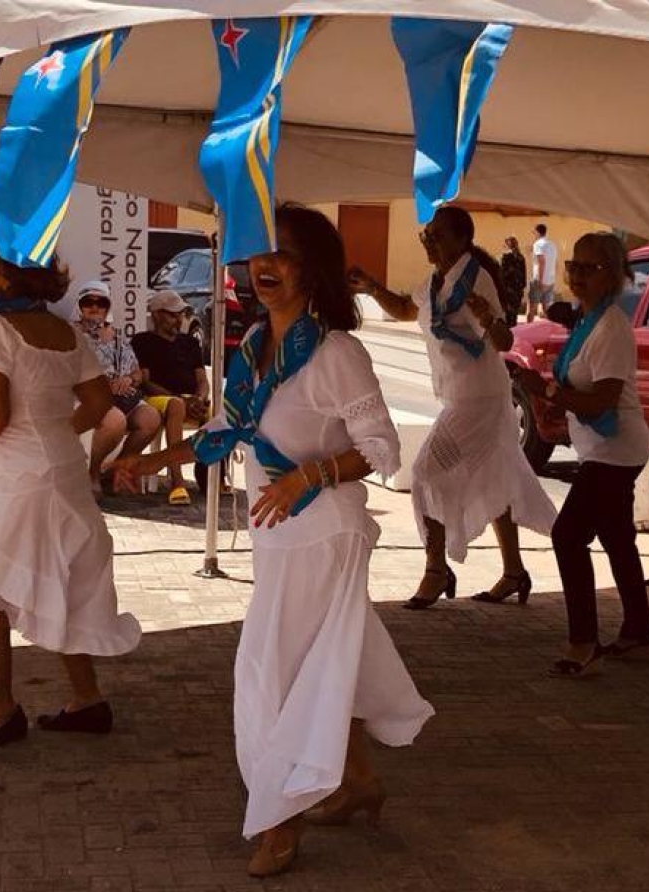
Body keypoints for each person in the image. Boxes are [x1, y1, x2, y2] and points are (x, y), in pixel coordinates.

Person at [113, 204, 432, 878]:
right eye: (259, 252)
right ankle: (359, 780)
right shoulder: (256, 342)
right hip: (278, 534)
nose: (264, 266)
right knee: (326, 661)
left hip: (324, 534)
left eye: (282, 254)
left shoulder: (336, 353)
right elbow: (231, 431)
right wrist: (155, 459)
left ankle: (279, 819)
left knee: (270, 674)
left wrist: (308, 476)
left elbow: (383, 448)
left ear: (312, 269)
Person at [0, 218, 141, 752]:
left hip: (17, 484)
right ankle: (87, 700)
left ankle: (0, 711)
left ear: (7, 272)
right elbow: (99, 403)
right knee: (64, 584)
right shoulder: (66, 333)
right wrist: (57, 436)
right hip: (64, 477)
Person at [352, 206, 556, 609]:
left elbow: (503, 341)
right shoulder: (435, 282)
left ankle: (436, 569)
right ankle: (514, 571)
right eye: (427, 235)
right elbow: (406, 309)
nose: (430, 242)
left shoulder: (476, 280)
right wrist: (372, 287)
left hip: (479, 400)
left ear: (463, 240)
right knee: (496, 479)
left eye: (438, 236)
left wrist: (488, 317)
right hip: (460, 395)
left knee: (425, 471)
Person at [515, 233, 649, 678]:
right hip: (602, 447)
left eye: (587, 269)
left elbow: (603, 400)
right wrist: (557, 399)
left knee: (568, 535)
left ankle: (583, 642)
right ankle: (638, 630)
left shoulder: (611, 327)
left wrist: (550, 392)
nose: (575, 276)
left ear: (611, 276)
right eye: (573, 266)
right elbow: (582, 390)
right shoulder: (589, 321)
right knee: (616, 537)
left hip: (616, 450)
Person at [73, 280, 161, 491]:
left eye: (101, 303)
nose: (95, 307)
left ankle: (115, 469)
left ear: (108, 307)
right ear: (79, 306)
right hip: (86, 396)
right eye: (88, 302)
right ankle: (93, 473)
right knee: (116, 421)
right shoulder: (71, 335)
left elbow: (137, 372)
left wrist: (128, 380)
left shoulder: (117, 336)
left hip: (120, 395)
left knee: (151, 418)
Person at [131, 290, 210, 506]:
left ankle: (212, 477)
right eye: (173, 314)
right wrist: (181, 400)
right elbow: (146, 382)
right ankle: (177, 481)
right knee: (176, 406)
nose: (179, 319)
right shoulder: (143, 341)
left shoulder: (190, 343)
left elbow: (202, 379)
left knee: (220, 412)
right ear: (157, 315)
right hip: (159, 397)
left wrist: (199, 398)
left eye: (181, 314)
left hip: (190, 398)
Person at [526, 223, 558, 323]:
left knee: (531, 308)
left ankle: (528, 328)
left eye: (534, 232)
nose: (533, 235)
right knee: (547, 309)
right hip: (550, 280)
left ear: (537, 232)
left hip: (539, 280)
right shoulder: (552, 244)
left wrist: (540, 280)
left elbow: (541, 262)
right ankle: (549, 329)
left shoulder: (538, 244)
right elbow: (553, 262)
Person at [500, 236, 527, 326]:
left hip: (508, 289)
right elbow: (524, 274)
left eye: (504, 245)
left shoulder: (506, 257)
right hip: (518, 289)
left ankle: (508, 330)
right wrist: (522, 287)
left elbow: (503, 274)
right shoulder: (521, 257)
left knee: (508, 314)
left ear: (508, 246)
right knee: (514, 313)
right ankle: (514, 329)